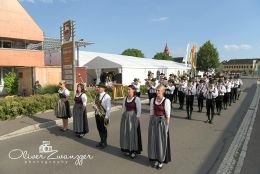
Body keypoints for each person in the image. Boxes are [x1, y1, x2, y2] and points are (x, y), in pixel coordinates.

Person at [148, 85, 171, 169]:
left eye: (159, 90)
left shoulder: (166, 101)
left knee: (160, 142)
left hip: (161, 123)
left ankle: (160, 160)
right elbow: (151, 112)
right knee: (153, 140)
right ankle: (155, 158)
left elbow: (168, 116)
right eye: (156, 90)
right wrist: (150, 123)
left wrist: (166, 128)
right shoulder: (153, 100)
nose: (157, 92)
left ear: (163, 91)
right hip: (154, 121)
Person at [120, 85, 142, 159]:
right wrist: (122, 117)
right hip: (126, 117)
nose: (128, 91)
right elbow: (123, 108)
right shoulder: (125, 98)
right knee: (126, 133)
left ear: (133, 90)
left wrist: (137, 120)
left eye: (129, 89)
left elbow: (139, 111)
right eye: (128, 89)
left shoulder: (137, 99)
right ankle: (127, 149)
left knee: (133, 134)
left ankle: (133, 150)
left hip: (133, 117)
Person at [93, 82, 111, 149]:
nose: (98, 88)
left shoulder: (107, 96)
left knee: (104, 129)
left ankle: (104, 142)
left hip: (103, 115)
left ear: (103, 88)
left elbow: (109, 108)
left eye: (99, 87)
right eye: (98, 87)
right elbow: (93, 103)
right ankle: (101, 141)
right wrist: (94, 106)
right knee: (99, 128)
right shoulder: (96, 95)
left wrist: (106, 117)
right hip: (97, 114)